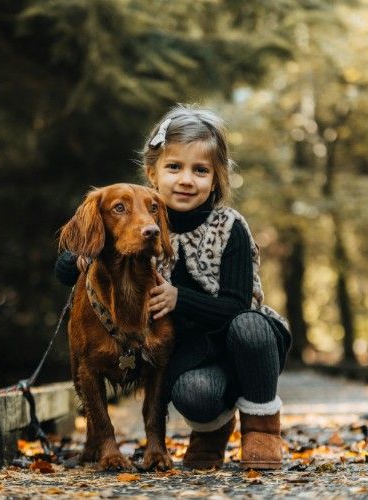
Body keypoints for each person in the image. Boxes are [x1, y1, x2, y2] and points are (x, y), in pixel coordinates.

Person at [55, 105, 292, 470]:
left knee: (249, 326)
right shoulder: (139, 221)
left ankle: (261, 429)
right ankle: (211, 433)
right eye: (174, 167)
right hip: (194, 351)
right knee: (192, 391)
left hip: (243, 340)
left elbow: (236, 305)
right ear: (153, 174)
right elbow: (67, 269)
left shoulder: (231, 227)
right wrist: (80, 253)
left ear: (216, 179)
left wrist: (180, 298)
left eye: (200, 170)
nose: (186, 179)